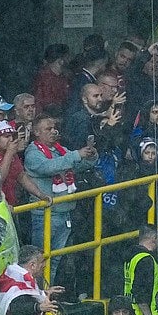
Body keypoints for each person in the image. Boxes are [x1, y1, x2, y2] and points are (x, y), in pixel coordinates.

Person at [23, 114, 98, 267]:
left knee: (56, 261)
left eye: (54, 128)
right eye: (48, 129)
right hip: (45, 215)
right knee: (39, 261)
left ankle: (47, 290)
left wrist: (90, 156)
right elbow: (49, 167)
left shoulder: (60, 150)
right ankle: (38, 290)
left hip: (65, 213)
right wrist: (77, 154)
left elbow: (76, 166)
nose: (53, 132)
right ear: (36, 132)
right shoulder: (32, 153)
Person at [124, 225, 158, 315]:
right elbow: (139, 290)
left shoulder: (131, 256)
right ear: (154, 238)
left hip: (132, 313)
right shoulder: (145, 259)